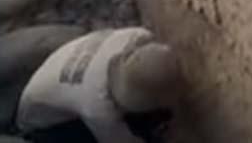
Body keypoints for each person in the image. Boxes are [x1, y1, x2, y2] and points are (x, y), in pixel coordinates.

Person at [17, 27, 180, 143]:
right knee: (147, 126)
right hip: (43, 127)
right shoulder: (95, 106)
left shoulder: (136, 35)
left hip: (54, 76)